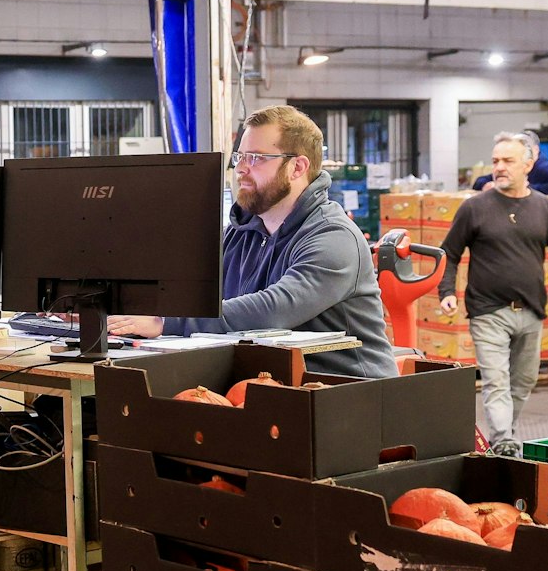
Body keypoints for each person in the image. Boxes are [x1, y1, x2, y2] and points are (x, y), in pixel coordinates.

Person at [106, 105, 396, 378]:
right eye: (240, 157)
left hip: (348, 393)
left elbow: (276, 308)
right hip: (272, 384)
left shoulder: (332, 236)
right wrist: (112, 306)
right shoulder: (239, 233)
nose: (241, 168)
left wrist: (165, 322)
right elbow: (182, 282)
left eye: (256, 158)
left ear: (297, 167)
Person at [437, 131, 548, 456]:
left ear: (529, 163)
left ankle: (504, 436)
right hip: (487, 310)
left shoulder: (546, 209)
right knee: (496, 381)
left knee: (523, 382)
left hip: (531, 311)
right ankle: (504, 443)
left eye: (508, 161)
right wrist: (446, 291)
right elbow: (449, 253)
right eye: (496, 161)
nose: (499, 167)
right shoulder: (474, 208)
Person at [470, 134, 548, 194]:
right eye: (495, 161)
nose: (501, 166)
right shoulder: (506, 169)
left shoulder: (543, 167)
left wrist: (526, 189)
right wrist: (486, 185)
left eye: (509, 161)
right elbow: (481, 181)